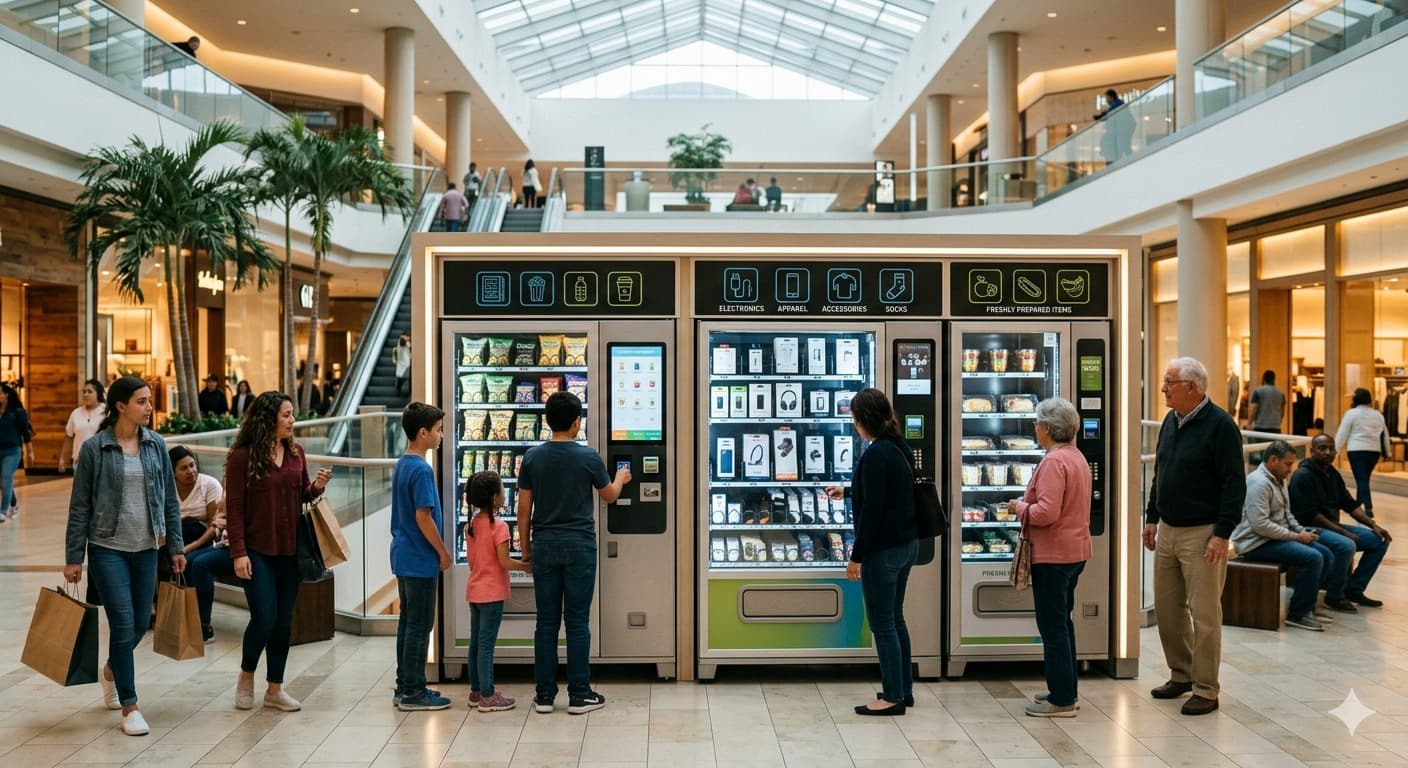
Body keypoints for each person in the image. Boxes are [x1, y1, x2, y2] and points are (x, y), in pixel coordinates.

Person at [63, 376, 185, 737]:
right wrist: (74, 557)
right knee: (122, 621)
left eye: (149, 401)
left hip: (146, 548)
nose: (150, 407)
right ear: (120, 406)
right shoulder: (95, 449)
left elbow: (169, 502)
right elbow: (80, 505)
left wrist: (175, 546)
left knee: (136, 626)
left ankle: (111, 670)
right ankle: (130, 706)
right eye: (142, 401)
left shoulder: (156, 445)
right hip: (107, 549)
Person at [1143, 356, 1244, 716]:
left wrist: (1222, 534)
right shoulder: (1171, 421)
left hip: (1204, 534)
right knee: (1168, 611)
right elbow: (1161, 472)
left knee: (1204, 616)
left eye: (1169, 383)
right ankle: (1181, 673)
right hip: (1169, 529)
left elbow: (1235, 484)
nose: (1163, 389)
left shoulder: (1221, 426)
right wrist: (1152, 516)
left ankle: (1206, 688)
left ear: (1192, 387)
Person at [518, 391, 628, 715]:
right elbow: (609, 496)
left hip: (544, 545)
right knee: (577, 621)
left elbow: (524, 509)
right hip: (579, 546)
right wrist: (620, 477)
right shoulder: (589, 457)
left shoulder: (532, 457)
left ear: (546, 421)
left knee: (546, 623)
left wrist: (526, 551)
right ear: (577, 422)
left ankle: (544, 696)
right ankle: (579, 694)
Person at [225, 391, 332, 713]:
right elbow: (234, 508)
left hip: (290, 550)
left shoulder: (296, 452)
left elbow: (301, 494)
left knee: (284, 621)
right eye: (286, 415)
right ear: (268, 417)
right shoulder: (242, 457)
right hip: (256, 549)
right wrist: (238, 553)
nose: (292, 420)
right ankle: (247, 674)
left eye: (292, 415)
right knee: (264, 617)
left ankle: (275, 688)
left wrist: (317, 488)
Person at [825, 388, 916, 716]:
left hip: (883, 551)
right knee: (895, 618)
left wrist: (856, 557)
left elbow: (874, 512)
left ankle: (891, 697)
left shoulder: (876, 453)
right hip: (906, 546)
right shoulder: (897, 446)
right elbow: (885, 491)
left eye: (854, 418)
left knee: (882, 625)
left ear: (863, 420)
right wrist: (848, 490)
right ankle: (904, 689)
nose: (853, 424)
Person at [1008, 397, 1092, 717]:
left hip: (1054, 555)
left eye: (1037, 423)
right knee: (1063, 624)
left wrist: (1019, 507)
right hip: (1074, 553)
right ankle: (1065, 688)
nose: (1035, 428)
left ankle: (1062, 701)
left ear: (1046, 428)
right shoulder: (1076, 457)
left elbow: (1045, 513)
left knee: (1053, 627)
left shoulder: (1054, 462)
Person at [1231, 440, 1336, 631]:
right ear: (1273, 460)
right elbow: (1260, 525)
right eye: (1287, 464)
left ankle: (1307, 605)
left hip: (1274, 538)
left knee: (1327, 554)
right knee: (1313, 557)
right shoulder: (1258, 483)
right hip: (1255, 543)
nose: (1290, 469)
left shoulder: (1279, 479)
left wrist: (1300, 531)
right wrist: (1296, 537)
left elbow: (1287, 514)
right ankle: (1298, 614)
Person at [390, 402, 453, 712]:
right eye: (438, 430)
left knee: (407, 623)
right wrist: (442, 551)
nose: (441, 436)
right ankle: (415, 692)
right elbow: (423, 516)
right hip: (420, 558)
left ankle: (404, 685)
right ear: (423, 432)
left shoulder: (403, 464)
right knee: (420, 625)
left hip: (403, 555)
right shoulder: (422, 469)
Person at [1288, 434, 1392, 609]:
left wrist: (1373, 525)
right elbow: (1311, 515)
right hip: (1307, 528)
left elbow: (1349, 504)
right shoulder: (1302, 475)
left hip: (1330, 527)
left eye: (1331, 448)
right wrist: (1343, 533)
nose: (1328, 452)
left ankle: (1354, 589)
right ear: (1312, 451)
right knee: (1346, 545)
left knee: (1379, 540)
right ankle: (1334, 596)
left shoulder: (1332, 473)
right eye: (1322, 448)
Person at [465, 470, 532, 712]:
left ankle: (475, 692)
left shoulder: (471, 525)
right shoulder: (500, 527)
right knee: (486, 645)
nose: (505, 494)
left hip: (474, 590)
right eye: (503, 491)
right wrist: (525, 566)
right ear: (495, 498)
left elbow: (474, 561)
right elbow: (504, 562)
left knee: (475, 643)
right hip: (492, 594)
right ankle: (488, 695)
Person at [170, 446, 228, 644]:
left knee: (192, 562)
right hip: (177, 539)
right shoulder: (167, 488)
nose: (191, 471)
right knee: (157, 557)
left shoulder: (209, 485)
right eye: (184, 468)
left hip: (204, 539)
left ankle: (202, 624)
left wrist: (188, 548)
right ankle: (166, 615)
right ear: (173, 472)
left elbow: (215, 526)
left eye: (192, 465)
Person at [1335, 387, 1389, 518]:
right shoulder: (1378, 415)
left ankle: (1368, 508)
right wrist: (1387, 452)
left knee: (1361, 479)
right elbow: (1385, 434)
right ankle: (1358, 505)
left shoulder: (1351, 413)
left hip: (1356, 450)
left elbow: (1343, 433)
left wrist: (1334, 450)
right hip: (1374, 451)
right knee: (1363, 478)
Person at [0, 382, 34, 523]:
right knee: (3, 482)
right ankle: (14, 504)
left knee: (6, 478)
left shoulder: (17, 412)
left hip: (12, 451)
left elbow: (25, 433)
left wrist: (30, 451)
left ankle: (3, 511)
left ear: (6, 394)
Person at [61, 379, 107, 475]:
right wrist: (62, 458)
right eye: (84, 392)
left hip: (101, 461)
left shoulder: (106, 412)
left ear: (98, 393)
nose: (86, 394)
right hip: (79, 461)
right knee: (81, 489)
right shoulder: (76, 413)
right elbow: (69, 436)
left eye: (90, 392)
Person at [1094, 88, 1134, 163]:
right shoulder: (1116, 104)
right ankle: (1125, 160)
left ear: (1111, 97)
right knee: (1124, 147)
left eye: (1107, 98)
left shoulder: (1118, 104)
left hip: (1124, 130)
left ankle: (1128, 161)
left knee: (1124, 147)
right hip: (1123, 130)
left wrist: (1102, 116)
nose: (1106, 101)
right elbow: (1109, 114)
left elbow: (1110, 114)